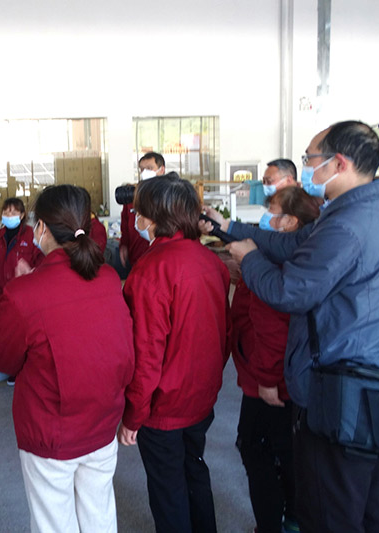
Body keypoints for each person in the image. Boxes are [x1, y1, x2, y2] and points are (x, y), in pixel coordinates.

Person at [222, 121, 379, 532]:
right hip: (372, 378)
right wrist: (233, 229)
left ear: (339, 163)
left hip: (339, 386)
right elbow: (292, 245)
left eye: (310, 159)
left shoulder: (345, 225)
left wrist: (249, 261)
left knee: (329, 509)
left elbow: (289, 291)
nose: (307, 167)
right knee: (367, 499)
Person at [0, 185, 134, 533]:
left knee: (54, 523)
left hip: (51, 431)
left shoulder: (25, 292)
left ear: (42, 228)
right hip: (102, 422)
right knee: (99, 515)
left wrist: (17, 295)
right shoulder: (108, 278)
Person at [118, 173, 231, 533]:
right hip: (201, 397)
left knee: (168, 489)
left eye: (139, 212)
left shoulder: (151, 270)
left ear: (154, 217)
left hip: (163, 406)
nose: (136, 218)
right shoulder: (210, 260)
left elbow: (146, 354)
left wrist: (134, 414)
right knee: (194, 469)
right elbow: (223, 334)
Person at [229, 187, 319, 533]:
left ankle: (272, 525)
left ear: (291, 222)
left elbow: (271, 330)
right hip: (289, 375)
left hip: (268, 381)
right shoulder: (304, 254)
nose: (267, 218)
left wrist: (266, 380)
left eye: (274, 212)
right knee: (289, 448)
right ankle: (294, 518)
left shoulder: (273, 264)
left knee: (256, 449)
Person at [0, 197, 41, 297]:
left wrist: (32, 272)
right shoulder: (0, 235)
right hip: (2, 291)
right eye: (5, 213)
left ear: (22, 215)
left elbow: (41, 259)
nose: (9, 216)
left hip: (24, 291)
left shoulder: (31, 234)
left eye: (13, 213)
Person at [119, 151, 166, 270]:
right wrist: (123, 244)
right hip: (136, 257)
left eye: (149, 168)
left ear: (162, 170)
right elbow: (125, 224)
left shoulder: (169, 197)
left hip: (161, 258)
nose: (145, 172)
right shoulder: (133, 196)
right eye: (142, 169)